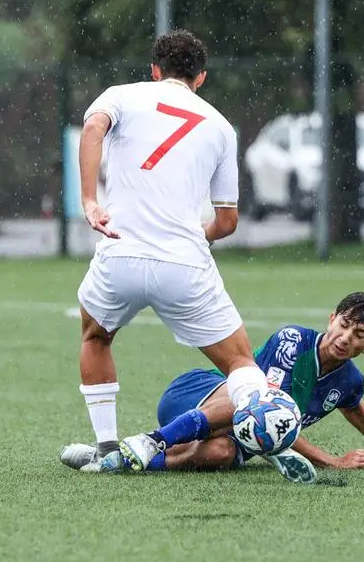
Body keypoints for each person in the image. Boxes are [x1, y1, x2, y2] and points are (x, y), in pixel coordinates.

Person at [72, 29, 269, 471]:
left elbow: (92, 128)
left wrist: (90, 201)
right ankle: (272, 431)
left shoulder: (122, 95)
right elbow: (227, 221)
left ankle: (106, 450)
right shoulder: (219, 125)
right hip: (184, 263)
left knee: (95, 336)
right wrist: (199, 233)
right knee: (241, 363)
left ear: (155, 70)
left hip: (119, 254)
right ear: (201, 77)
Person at [61, 293, 364, 483]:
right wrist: (331, 459)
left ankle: (116, 460)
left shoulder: (349, 380)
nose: (345, 338)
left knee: (223, 453)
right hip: (199, 395)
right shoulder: (293, 342)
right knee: (249, 409)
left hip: (236, 435)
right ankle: (151, 439)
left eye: (358, 335)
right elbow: (261, 410)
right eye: (343, 325)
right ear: (331, 319)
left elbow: (355, 405)